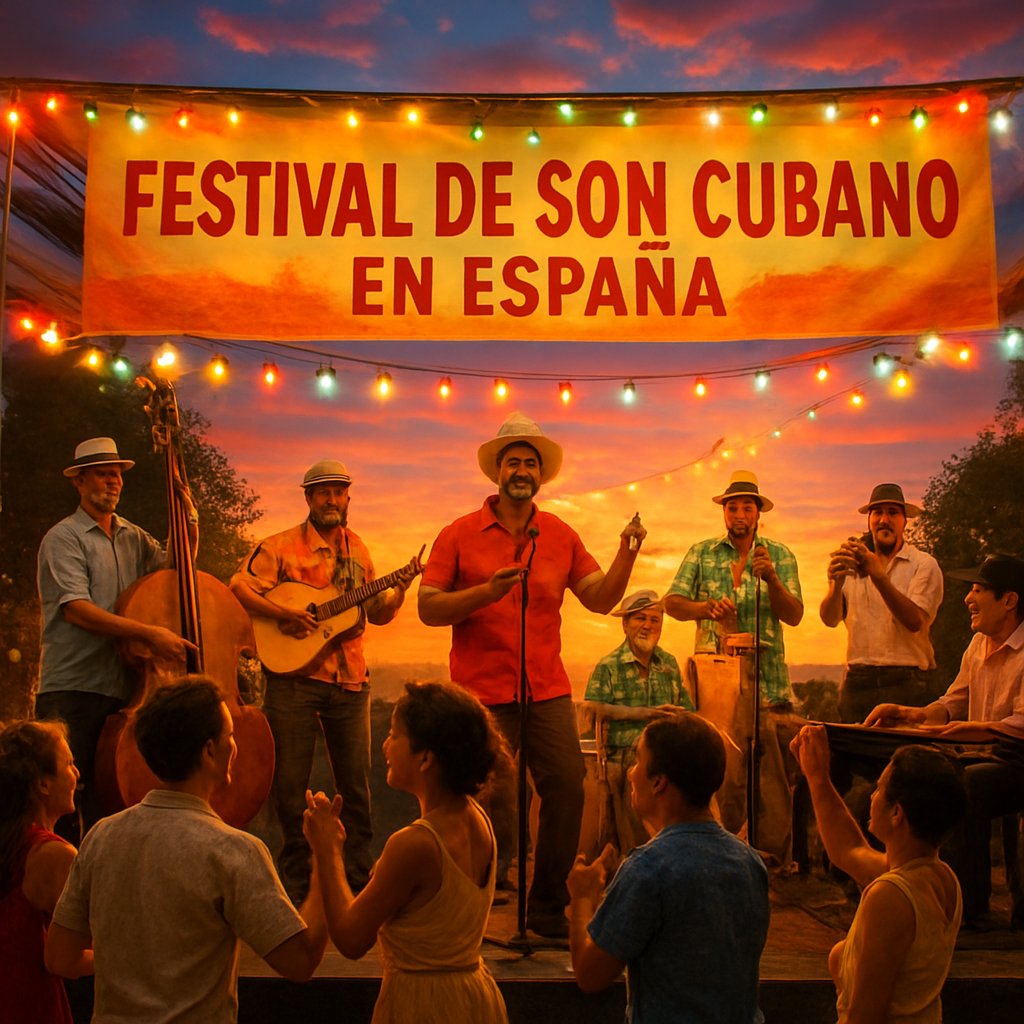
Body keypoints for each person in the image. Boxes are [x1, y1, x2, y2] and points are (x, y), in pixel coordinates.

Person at [417, 413, 646, 937]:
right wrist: (486, 594)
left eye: (530, 463)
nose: (521, 470)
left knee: (567, 785)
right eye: (513, 461)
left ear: (541, 475)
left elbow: (600, 598)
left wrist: (627, 552)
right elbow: (429, 608)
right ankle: (462, 908)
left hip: (545, 688)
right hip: (479, 692)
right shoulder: (458, 533)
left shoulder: (561, 535)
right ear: (497, 471)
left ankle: (545, 910)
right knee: (480, 798)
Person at [45, 678, 327, 1023]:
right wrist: (326, 857)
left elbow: (60, 958)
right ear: (210, 752)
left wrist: (125, 959)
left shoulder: (100, 837)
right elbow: (300, 961)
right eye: (231, 737)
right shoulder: (233, 851)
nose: (235, 748)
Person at [230, 458, 422, 903]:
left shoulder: (360, 551)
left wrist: (401, 589)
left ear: (348, 497)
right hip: (293, 680)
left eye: (339, 492)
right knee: (290, 783)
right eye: (323, 492)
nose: (332, 499)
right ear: (309, 499)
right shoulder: (279, 546)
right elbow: (240, 586)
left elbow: (375, 613)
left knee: (356, 784)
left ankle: (357, 878)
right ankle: (294, 885)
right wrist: (285, 614)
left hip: (351, 680)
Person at [303, 681, 509, 1024]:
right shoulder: (478, 819)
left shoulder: (414, 844)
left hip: (425, 1006)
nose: (385, 745)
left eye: (394, 735)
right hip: (474, 997)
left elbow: (351, 940)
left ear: (426, 757)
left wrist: (327, 851)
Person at [35, 437, 198, 844]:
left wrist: (190, 521)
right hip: (74, 687)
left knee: (112, 805)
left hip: (124, 690)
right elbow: (76, 608)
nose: (114, 482)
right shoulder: (64, 537)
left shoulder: (132, 536)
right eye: (103, 474)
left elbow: (174, 569)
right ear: (79, 481)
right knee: (64, 805)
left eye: (117, 475)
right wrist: (148, 634)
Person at [567, 714, 770, 1023]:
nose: (632, 773)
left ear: (658, 781)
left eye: (637, 761)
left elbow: (590, 975)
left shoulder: (647, 870)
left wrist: (582, 898)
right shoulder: (750, 863)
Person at [866, 552, 1024, 926]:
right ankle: (936, 897)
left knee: (965, 785)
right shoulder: (978, 645)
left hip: (1017, 759)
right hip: (983, 751)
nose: (968, 599)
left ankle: (968, 913)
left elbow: (1020, 723)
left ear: (1009, 600)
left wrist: (968, 731)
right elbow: (954, 701)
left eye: (977, 589)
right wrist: (914, 714)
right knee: (933, 778)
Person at [664, 469, 804, 865]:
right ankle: (718, 857)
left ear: (758, 513)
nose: (739, 513)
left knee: (772, 781)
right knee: (723, 776)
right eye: (732, 507)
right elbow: (671, 603)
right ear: (724, 513)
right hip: (716, 683)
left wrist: (772, 579)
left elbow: (793, 615)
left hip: (767, 684)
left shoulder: (778, 554)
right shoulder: (701, 552)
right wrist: (707, 608)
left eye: (747, 506)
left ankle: (772, 862)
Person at [790, 725, 968, 1023]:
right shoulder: (939, 877)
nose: (872, 796)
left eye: (878, 788)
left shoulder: (890, 896)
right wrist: (817, 775)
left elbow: (865, 1016)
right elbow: (848, 850)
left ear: (897, 813)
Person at [820, 484, 943, 724]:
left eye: (893, 512)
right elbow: (830, 619)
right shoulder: (851, 560)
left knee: (904, 758)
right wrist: (835, 584)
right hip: (858, 681)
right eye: (877, 513)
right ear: (869, 521)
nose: (884, 519)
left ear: (904, 521)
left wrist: (878, 575)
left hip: (906, 683)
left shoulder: (923, 564)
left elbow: (914, 621)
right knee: (853, 759)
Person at [583, 589, 694, 855]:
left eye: (655, 620)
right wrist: (647, 714)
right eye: (639, 618)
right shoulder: (609, 666)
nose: (648, 625)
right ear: (625, 624)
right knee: (638, 832)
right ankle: (641, 868)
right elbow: (591, 709)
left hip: (669, 758)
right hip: (624, 757)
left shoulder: (668, 664)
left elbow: (689, 710)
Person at [0, 720, 84, 1024]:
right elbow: (67, 959)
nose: (77, 774)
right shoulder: (53, 854)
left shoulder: (11, 841)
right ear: (42, 784)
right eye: (69, 764)